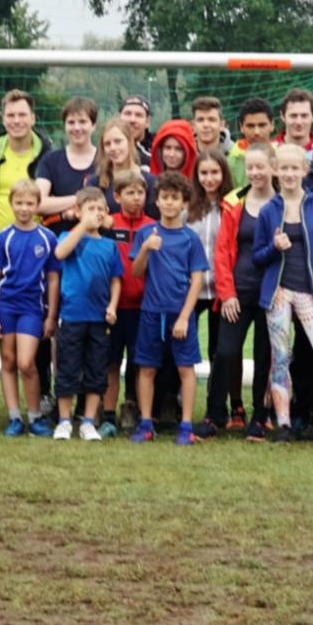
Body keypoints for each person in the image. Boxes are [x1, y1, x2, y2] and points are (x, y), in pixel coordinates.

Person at [254, 145, 313, 446]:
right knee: (280, 358)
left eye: (296, 168)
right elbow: (257, 256)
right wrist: (274, 247)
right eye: (284, 168)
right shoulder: (269, 211)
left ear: (305, 171)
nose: (290, 174)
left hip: (312, 295)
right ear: (275, 170)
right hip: (279, 294)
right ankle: (283, 424)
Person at [128, 170, 209, 447]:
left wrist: (185, 317)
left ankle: (186, 426)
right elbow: (136, 272)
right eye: (165, 198)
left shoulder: (190, 238)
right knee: (147, 368)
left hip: (180, 314)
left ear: (184, 203)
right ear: (157, 201)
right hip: (151, 312)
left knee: (185, 369)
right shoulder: (145, 233)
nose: (170, 203)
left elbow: (197, 279)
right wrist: (146, 249)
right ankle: (146, 423)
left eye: (175, 198)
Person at [212, 140, 276, 440]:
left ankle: (261, 418)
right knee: (225, 352)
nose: (255, 172)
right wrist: (227, 294)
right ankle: (214, 415)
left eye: (260, 166)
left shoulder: (284, 204)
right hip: (238, 292)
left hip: (271, 296)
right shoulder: (234, 202)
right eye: (250, 167)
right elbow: (222, 252)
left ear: (272, 168)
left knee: (266, 357)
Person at [51, 186, 123, 441]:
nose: (96, 214)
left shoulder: (109, 246)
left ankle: (88, 421)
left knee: (96, 370)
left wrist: (112, 306)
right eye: (90, 209)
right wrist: (82, 225)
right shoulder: (69, 238)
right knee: (68, 368)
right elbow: (59, 254)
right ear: (79, 212)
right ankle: (63, 421)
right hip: (72, 316)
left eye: (100, 209)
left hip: (99, 318)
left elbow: (116, 279)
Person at [0, 180, 57, 437]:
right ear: (11, 204)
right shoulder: (2, 238)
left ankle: (35, 415)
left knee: (27, 363)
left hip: (32, 308)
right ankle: (14, 417)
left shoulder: (47, 238)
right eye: (19, 203)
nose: (24, 208)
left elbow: (52, 279)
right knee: (8, 360)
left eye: (30, 203)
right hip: (6, 306)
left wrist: (51, 315)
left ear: (38, 206)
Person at [102, 170, 155, 434]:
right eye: (130, 193)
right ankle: (109, 414)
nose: (136, 198)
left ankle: (132, 409)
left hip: (143, 307)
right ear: (117, 196)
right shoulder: (107, 224)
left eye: (140, 193)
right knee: (111, 361)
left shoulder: (153, 226)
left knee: (139, 361)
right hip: (112, 307)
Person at [187, 151, 233, 437]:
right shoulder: (188, 207)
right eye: (203, 173)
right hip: (190, 291)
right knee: (184, 350)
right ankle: (174, 406)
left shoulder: (231, 206)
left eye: (214, 172)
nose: (209, 179)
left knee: (221, 352)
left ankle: (217, 412)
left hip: (220, 290)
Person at [0, 90, 51, 232]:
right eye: (11, 115)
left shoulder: (48, 157)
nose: (16, 121)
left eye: (22, 115)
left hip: (34, 246)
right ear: (3, 119)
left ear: (33, 118)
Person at [35, 97, 99, 227]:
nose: (76, 128)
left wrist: (57, 203)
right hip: (58, 240)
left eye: (82, 122)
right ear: (64, 126)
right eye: (71, 122)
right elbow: (38, 203)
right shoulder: (50, 160)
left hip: (97, 240)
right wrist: (81, 198)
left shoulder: (105, 160)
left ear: (93, 125)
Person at [226, 98, 275, 187]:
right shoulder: (230, 163)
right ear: (241, 127)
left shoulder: (281, 157)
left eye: (262, 125)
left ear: (272, 125)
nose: (256, 132)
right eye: (250, 126)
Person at [279, 89, 313, 155]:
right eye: (293, 116)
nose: (298, 122)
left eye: (304, 116)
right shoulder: (269, 151)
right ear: (282, 116)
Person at [119, 96, 153, 166]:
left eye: (138, 115)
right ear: (119, 118)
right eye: (128, 114)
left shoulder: (158, 151)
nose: (132, 120)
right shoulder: (108, 149)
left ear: (148, 122)